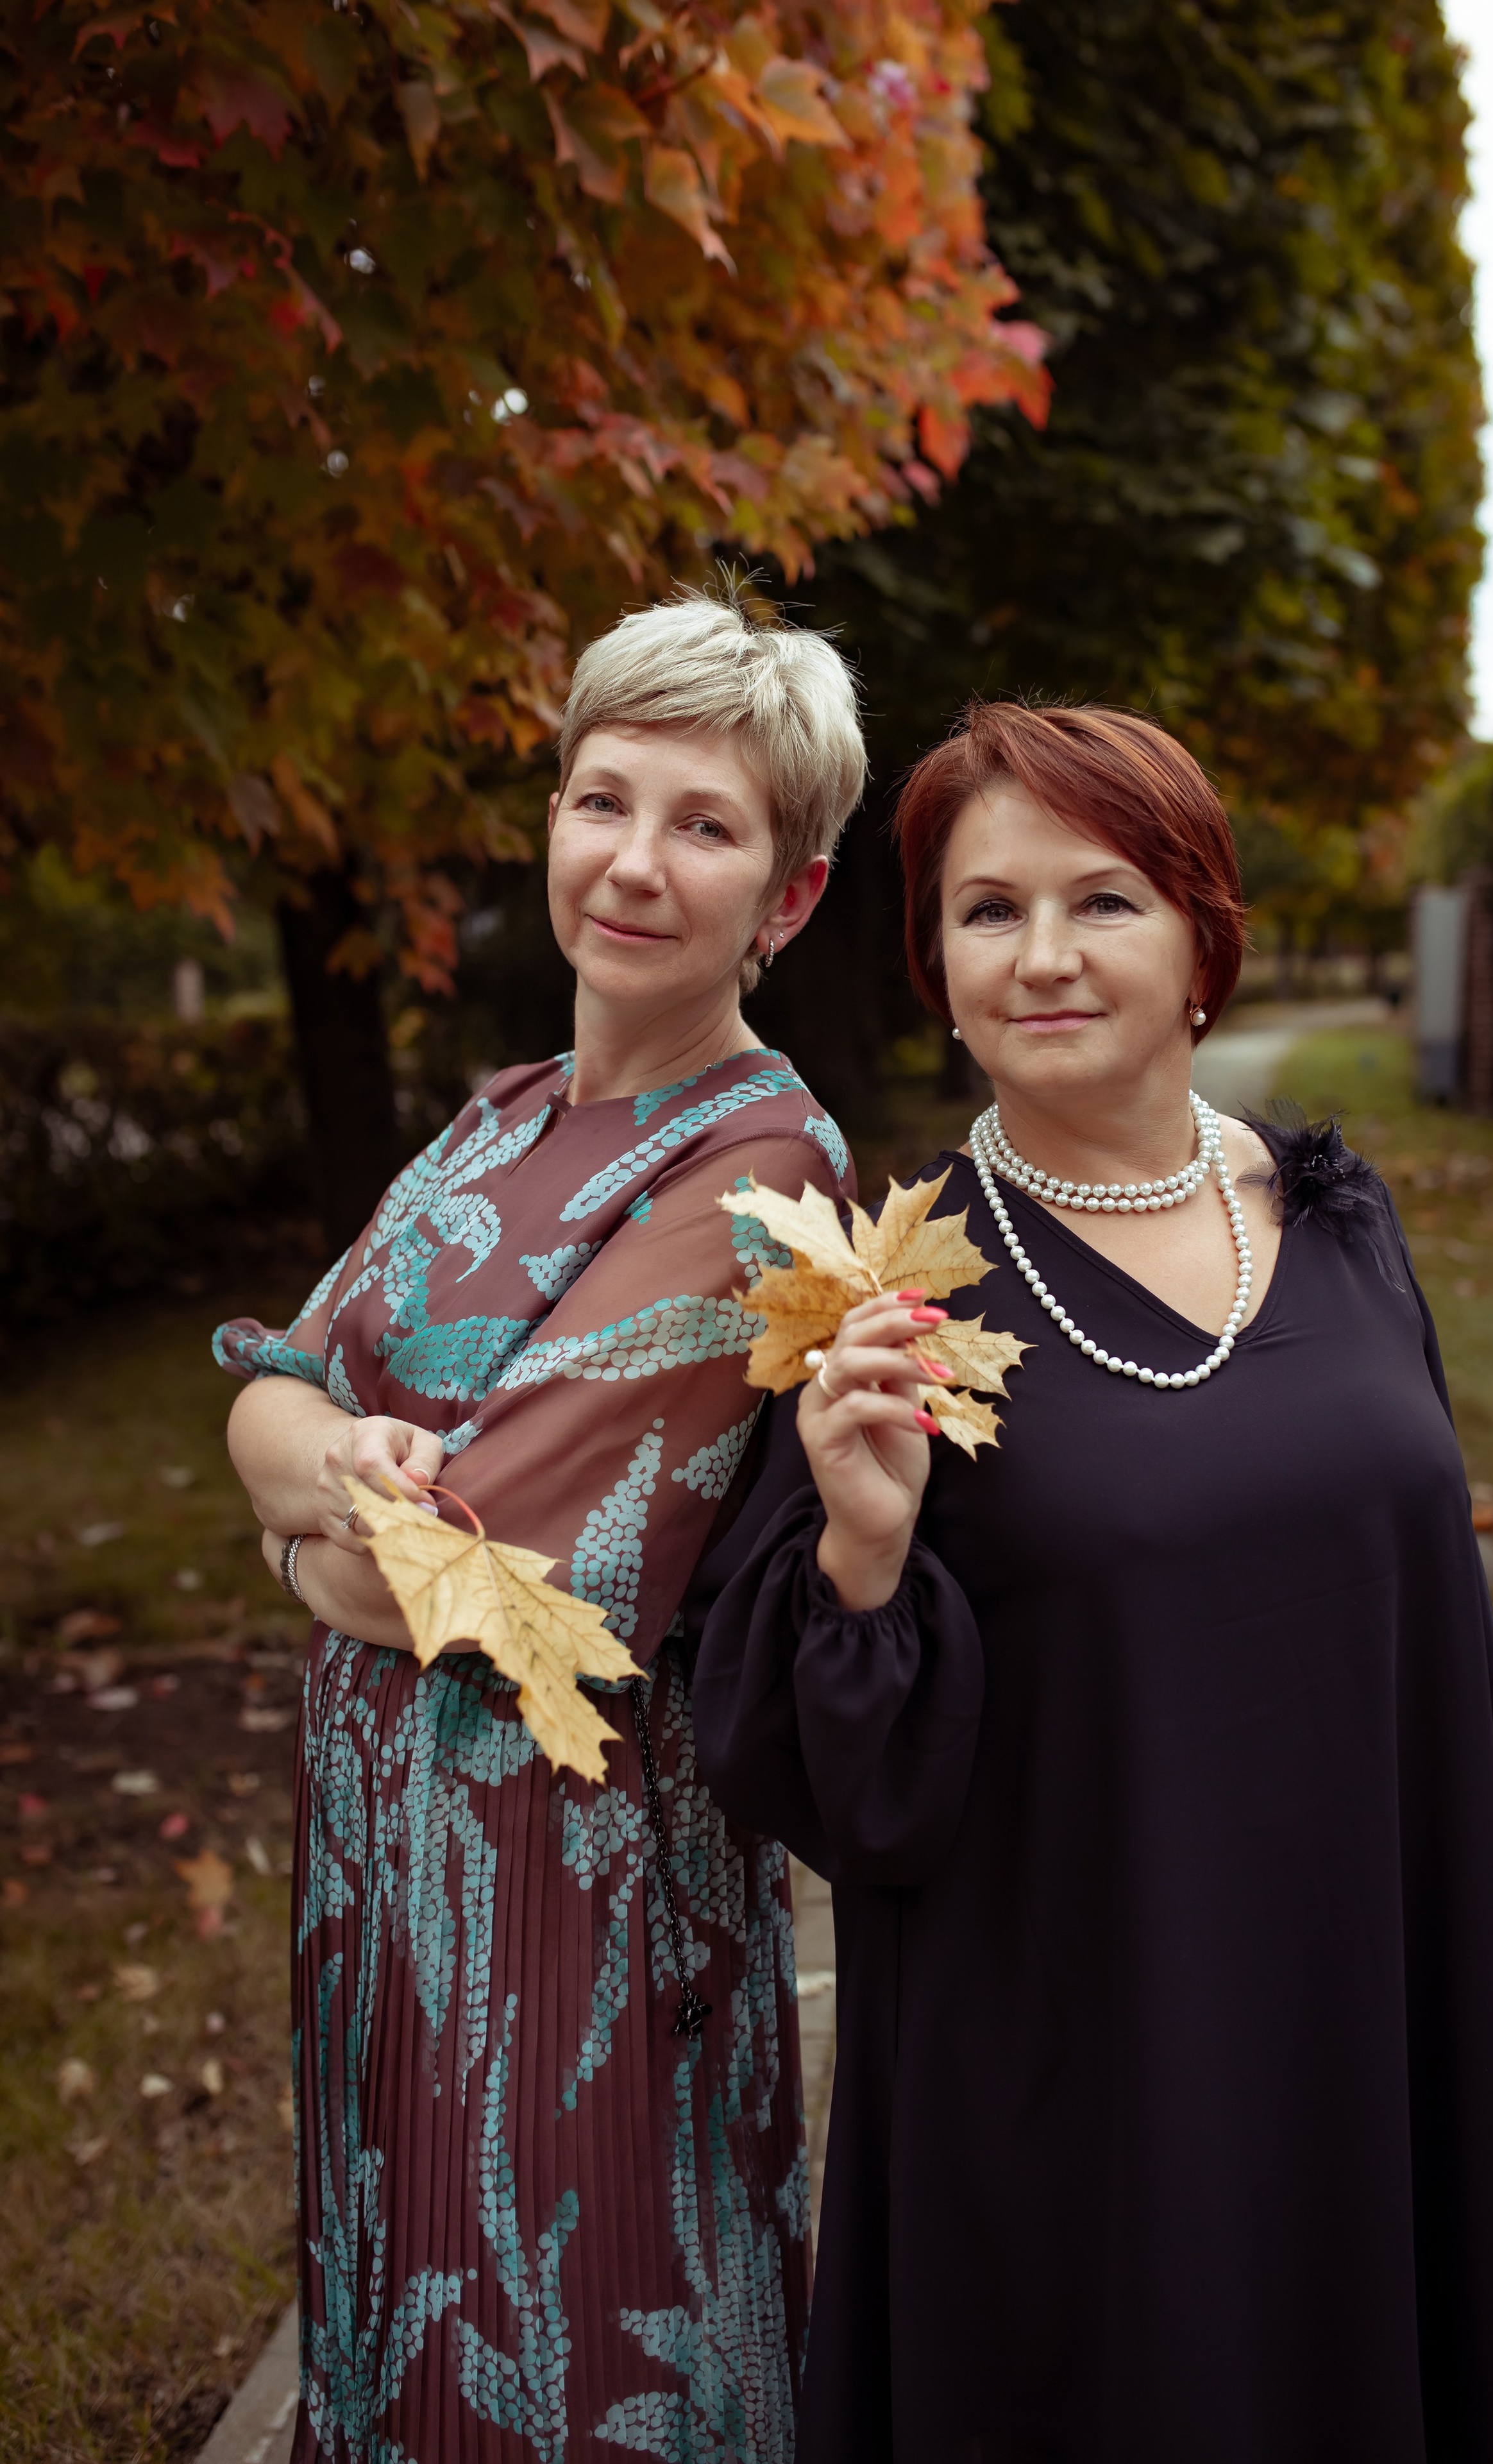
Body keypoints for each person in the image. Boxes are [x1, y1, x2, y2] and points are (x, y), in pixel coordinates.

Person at [690, 700, 1493, 2464]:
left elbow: (1435, 1614)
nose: (1044, 954)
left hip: (1361, 2003)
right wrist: (861, 1551)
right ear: (936, 967)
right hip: (1075, 2066)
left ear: (1203, 933)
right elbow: (834, 1791)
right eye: (988, 910)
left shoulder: (1342, 1220)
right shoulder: (880, 1301)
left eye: (1103, 899)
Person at [214, 588, 865, 2462]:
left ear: (789, 897)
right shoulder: (495, 1121)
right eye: (606, 799)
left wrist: (309, 1514)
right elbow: (266, 1385)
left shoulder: (761, 1172)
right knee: (397, 2343)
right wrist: (323, 1472)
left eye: (706, 824)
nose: (636, 862)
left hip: (572, 1922)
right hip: (382, 1889)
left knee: (574, 2372)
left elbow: (488, 1586)